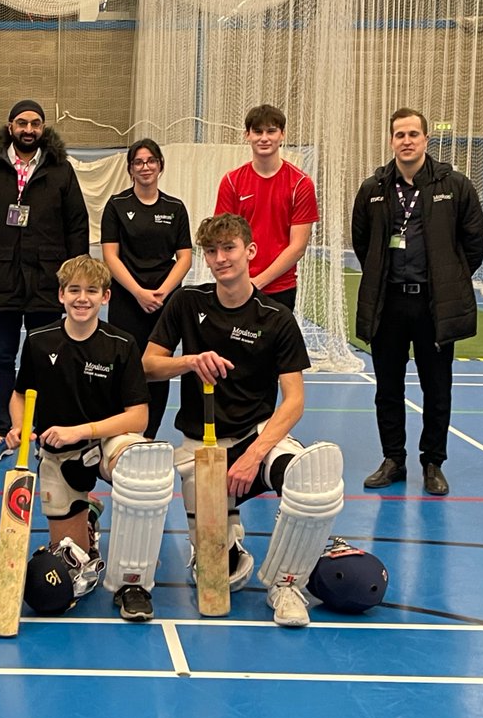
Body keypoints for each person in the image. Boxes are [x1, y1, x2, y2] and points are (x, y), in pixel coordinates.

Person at [143, 214, 344, 628]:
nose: (220, 258)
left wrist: (254, 455)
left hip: (257, 435)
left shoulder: (275, 318)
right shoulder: (187, 303)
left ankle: (286, 584)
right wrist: (189, 361)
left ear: (250, 251)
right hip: (201, 445)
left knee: (310, 481)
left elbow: (294, 402)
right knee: (225, 577)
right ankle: (226, 543)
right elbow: (148, 365)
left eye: (229, 248)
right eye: (211, 251)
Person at [8, 255, 173, 623]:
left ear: (105, 297)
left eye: (92, 291)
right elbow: (19, 395)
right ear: (61, 295)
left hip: (108, 442)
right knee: (70, 566)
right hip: (59, 452)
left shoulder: (121, 343)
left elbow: (139, 417)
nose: (82, 298)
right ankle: (87, 521)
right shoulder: (39, 341)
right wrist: (20, 427)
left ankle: (133, 585)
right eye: (74, 290)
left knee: (141, 471)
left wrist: (82, 430)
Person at [352, 107, 483, 497]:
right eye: (400, 134)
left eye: (413, 134)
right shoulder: (373, 188)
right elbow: (363, 243)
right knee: (387, 389)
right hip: (389, 304)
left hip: (433, 305)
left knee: (437, 388)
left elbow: (475, 242)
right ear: (391, 140)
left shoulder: (455, 185)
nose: (407, 141)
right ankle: (393, 459)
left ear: (426, 139)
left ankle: (433, 463)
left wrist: (448, 278)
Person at [0, 98, 89, 464]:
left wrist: (74, 283)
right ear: (10, 126)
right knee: (2, 358)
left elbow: (77, 227)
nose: (29, 129)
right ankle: (1, 430)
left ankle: (44, 432)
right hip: (0, 281)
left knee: (48, 359)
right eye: (22, 123)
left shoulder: (60, 169)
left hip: (48, 282)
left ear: (43, 128)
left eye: (35, 123)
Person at [101, 138, 192, 438]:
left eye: (151, 161)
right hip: (128, 300)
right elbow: (110, 256)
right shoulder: (116, 205)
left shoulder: (175, 208)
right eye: (138, 162)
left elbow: (185, 257)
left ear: (160, 165)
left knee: (157, 369)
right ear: (130, 169)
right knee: (125, 365)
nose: (145, 167)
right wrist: (138, 292)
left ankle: (149, 435)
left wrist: (163, 292)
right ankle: (122, 433)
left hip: (164, 302)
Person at [214, 104, 319, 311]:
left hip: (281, 289)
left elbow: (297, 246)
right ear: (247, 135)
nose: (264, 138)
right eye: (258, 131)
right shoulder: (231, 182)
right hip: (236, 286)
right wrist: (239, 281)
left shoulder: (301, 184)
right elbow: (223, 238)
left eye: (271, 131)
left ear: (282, 135)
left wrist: (257, 282)